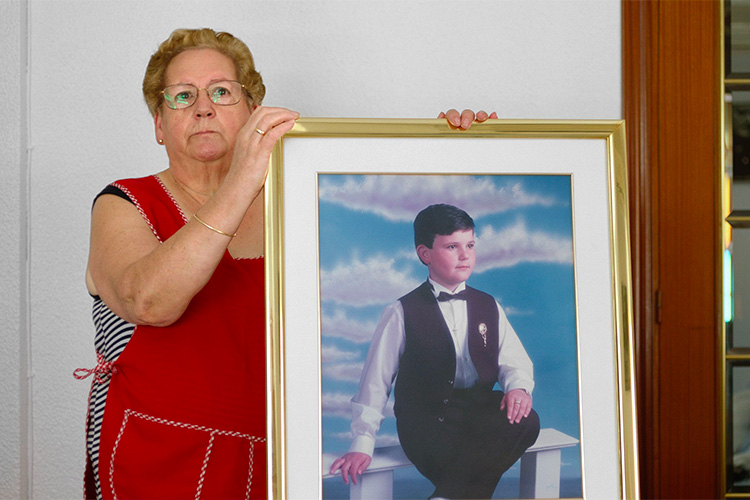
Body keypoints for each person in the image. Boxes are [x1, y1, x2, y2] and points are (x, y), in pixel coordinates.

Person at [75, 27, 494, 500]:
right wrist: (244, 177)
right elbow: (148, 301)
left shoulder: (304, 202)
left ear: (252, 110)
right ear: (158, 123)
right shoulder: (124, 203)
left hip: (284, 465)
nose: (204, 107)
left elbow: (403, 246)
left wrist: (460, 151)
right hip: (159, 460)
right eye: (182, 96)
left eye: (221, 92)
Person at [329, 204, 541, 500]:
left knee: (527, 421)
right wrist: (362, 443)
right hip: (427, 424)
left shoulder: (488, 305)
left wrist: (518, 387)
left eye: (470, 245)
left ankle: (445, 496)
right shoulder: (401, 312)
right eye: (452, 246)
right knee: (473, 460)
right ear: (424, 254)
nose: (465, 255)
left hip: (476, 416)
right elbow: (375, 384)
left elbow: (514, 361)